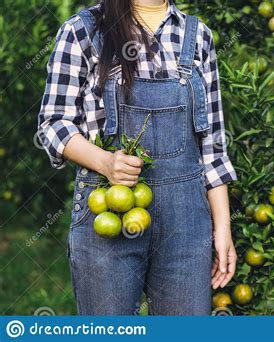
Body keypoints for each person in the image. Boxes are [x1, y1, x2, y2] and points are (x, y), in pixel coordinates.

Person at [37, 0, 237, 315]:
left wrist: (222, 227)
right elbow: (53, 124)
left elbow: (212, 144)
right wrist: (105, 162)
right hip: (108, 211)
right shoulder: (83, 31)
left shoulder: (197, 35)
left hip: (186, 222)